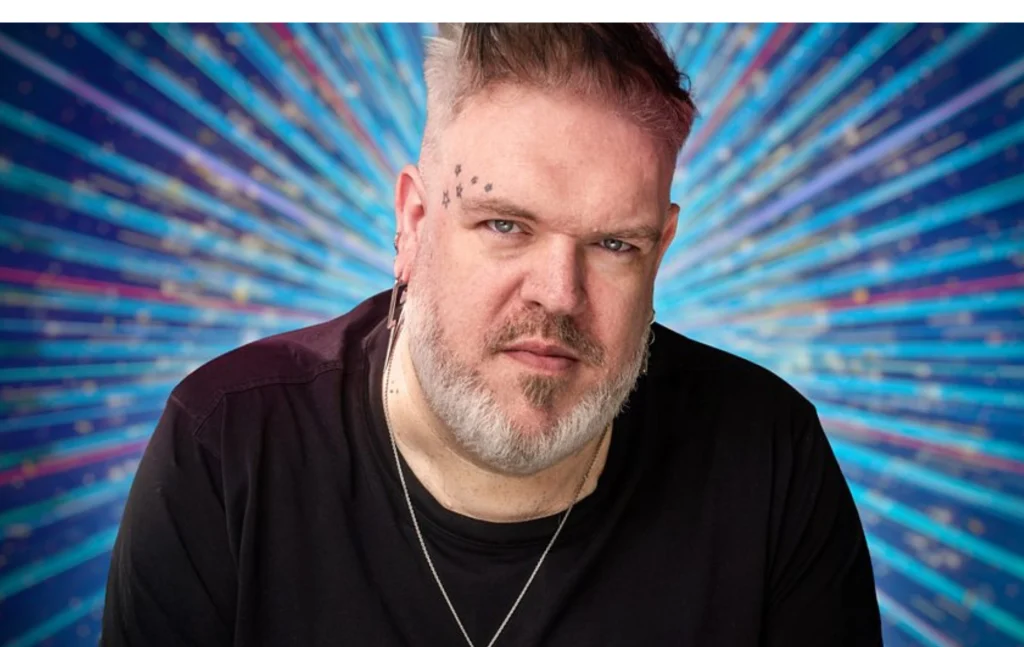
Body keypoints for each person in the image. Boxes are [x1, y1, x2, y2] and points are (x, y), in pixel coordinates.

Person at [101, 23, 881, 646]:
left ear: (661, 247)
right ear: (413, 223)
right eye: (506, 224)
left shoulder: (769, 454)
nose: (559, 294)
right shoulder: (229, 443)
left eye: (615, 244)